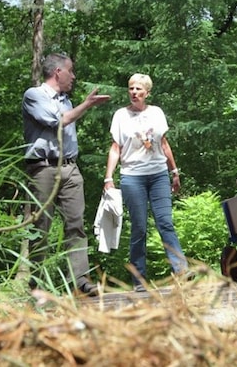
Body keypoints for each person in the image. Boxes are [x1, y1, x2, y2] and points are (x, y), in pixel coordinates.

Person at [22, 53, 111, 296]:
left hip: (70, 168)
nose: (73, 76)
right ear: (57, 72)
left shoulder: (66, 99)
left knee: (76, 225)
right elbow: (60, 121)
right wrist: (88, 104)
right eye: (70, 71)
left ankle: (81, 281)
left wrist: (81, 104)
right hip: (43, 168)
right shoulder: (34, 96)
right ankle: (36, 285)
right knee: (41, 228)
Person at [104, 73, 190, 292]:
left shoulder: (157, 113)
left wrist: (175, 171)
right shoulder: (120, 115)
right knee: (139, 227)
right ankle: (139, 279)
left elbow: (163, 143)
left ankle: (181, 270)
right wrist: (108, 178)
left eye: (139, 89)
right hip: (132, 176)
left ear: (147, 93)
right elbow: (116, 148)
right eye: (131, 88)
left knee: (165, 222)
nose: (134, 92)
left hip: (158, 174)